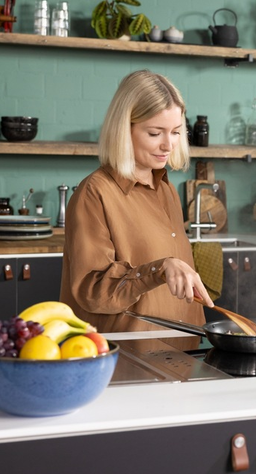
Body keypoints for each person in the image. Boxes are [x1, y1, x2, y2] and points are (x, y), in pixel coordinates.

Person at [60, 70, 214, 332]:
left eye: (176, 132)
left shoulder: (166, 189)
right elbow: (92, 290)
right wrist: (159, 269)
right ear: (123, 130)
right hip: (129, 355)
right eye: (155, 133)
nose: (168, 145)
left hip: (183, 346)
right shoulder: (94, 193)